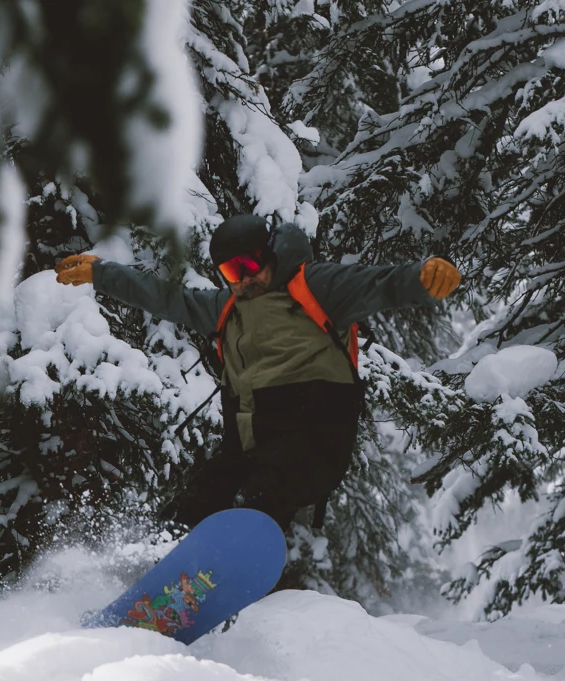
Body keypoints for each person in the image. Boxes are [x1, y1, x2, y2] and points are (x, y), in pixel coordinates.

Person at [54, 214, 460, 533]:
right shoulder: (225, 309)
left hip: (313, 439)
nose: (245, 279)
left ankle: (224, 574)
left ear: (271, 256)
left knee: (260, 500)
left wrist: (424, 278)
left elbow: (380, 283)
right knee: (193, 504)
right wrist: (101, 273)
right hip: (249, 445)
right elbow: (165, 298)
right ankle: (158, 575)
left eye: (251, 265)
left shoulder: (315, 287)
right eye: (232, 273)